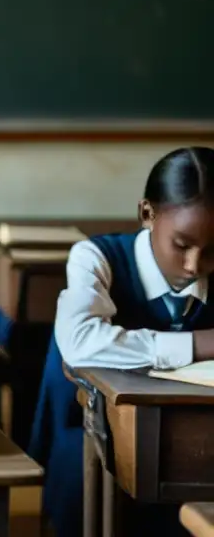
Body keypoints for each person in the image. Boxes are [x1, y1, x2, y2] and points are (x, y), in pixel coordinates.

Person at [30, 146, 214, 537]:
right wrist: (201, 343)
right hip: (91, 433)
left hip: (192, 436)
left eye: (212, 251)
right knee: (89, 478)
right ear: (147, 214)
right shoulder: (96, 257)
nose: (195, 266)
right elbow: (79, 342)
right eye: (181, 245)